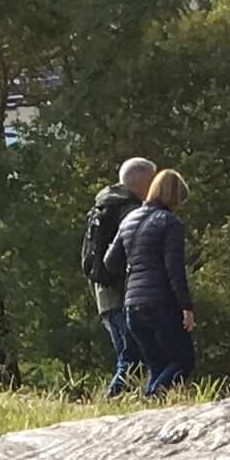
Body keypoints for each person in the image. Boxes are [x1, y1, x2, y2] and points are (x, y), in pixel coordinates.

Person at [112, 163, 196, 398]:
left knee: (157, 364)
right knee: (183, 360)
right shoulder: (170, 223)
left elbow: (111, 261)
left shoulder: (129, 220)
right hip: (160, 303)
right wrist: (186, 307)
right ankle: (152, 397)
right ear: (174, 197)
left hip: (132, 306)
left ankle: (151, 401)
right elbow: (174, 269)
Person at [85, 151, 156, 397]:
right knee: (132, 355)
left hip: (104, 294)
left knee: (130, 354)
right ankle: (113, 400)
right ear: (142, 183)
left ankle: (128, 400)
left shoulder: (103, 206)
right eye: (153, 181)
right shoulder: (129, 211)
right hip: (122, 294)